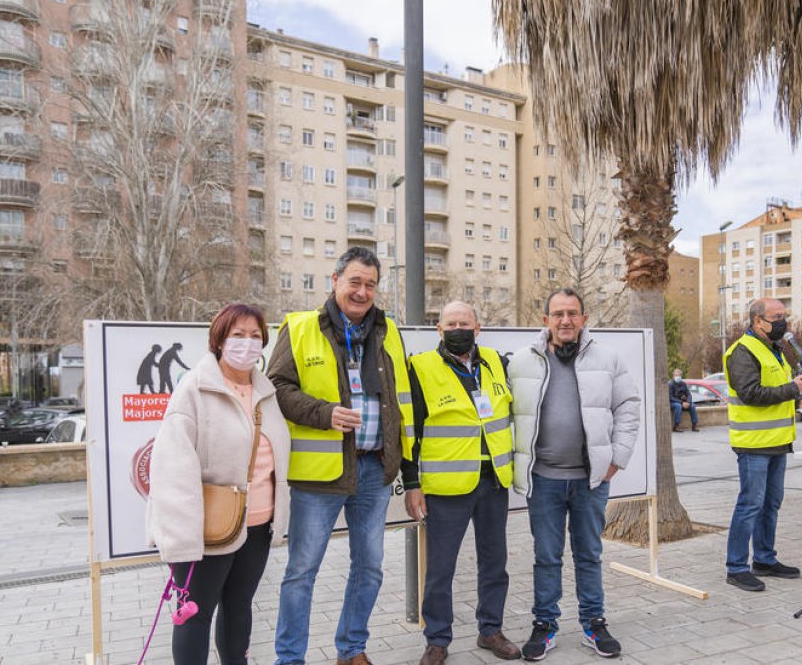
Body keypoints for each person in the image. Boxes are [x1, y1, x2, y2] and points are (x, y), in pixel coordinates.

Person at [269, 246, 414, 665]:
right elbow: (276, 388)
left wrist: (406, 469)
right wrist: (324, 413)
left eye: (370, 284)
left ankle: (352, 650)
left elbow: (400, 403)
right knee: (301, 572)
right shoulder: (299, 328)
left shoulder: (389, 332)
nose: (362, 291)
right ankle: (290, 658)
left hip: (373, 470)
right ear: (335, 281)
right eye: (355, 281)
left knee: (369, 568)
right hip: (320, 475)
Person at [146, 303, 291, 665]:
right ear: (219, 341)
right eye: (237, 335)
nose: (247, 343)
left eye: (255, 336)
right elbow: (173, 470)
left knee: (239, 609)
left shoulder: (266, 392)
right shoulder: (194, 390)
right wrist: (182, 542)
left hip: (257, 525)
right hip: (207, 531)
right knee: (194, 616)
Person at [508, 288, 640, 661]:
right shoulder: (521, 361)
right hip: (544, 479)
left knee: (588, 554)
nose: (565, 321)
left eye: (572, 313)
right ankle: (545, 624)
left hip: (590, 480)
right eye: (558, 314)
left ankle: (593, 622)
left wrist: (619, 457)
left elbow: (628, 405)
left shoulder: (607, 358)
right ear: (545, 318)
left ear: (584, 318)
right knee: (546, 556)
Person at [402, 301, 520, 665]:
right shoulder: (420, 368)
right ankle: (437, 639)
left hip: (494, 481)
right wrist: (411, 483)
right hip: (447, 488)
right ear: (439, 329)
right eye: (450, 323)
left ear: (478, 327)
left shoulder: (497, 363)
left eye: (464, 323)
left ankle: (491, 630)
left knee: (494, 562)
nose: (458, 329)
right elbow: (411, 430)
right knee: (440, 568)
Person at [723, 298, 802, 592]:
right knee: (750, 504)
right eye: (776, 317)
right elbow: (751, 393)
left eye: (784, 316)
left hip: (777, 442)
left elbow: (774, 392)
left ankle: (764, 559)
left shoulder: (774, 351)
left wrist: (799, 400)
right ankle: (736, 567)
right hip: (753, 444)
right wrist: (793, 389)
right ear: (756, 320)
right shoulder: (741, 351)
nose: (782, 323)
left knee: (770, 504)